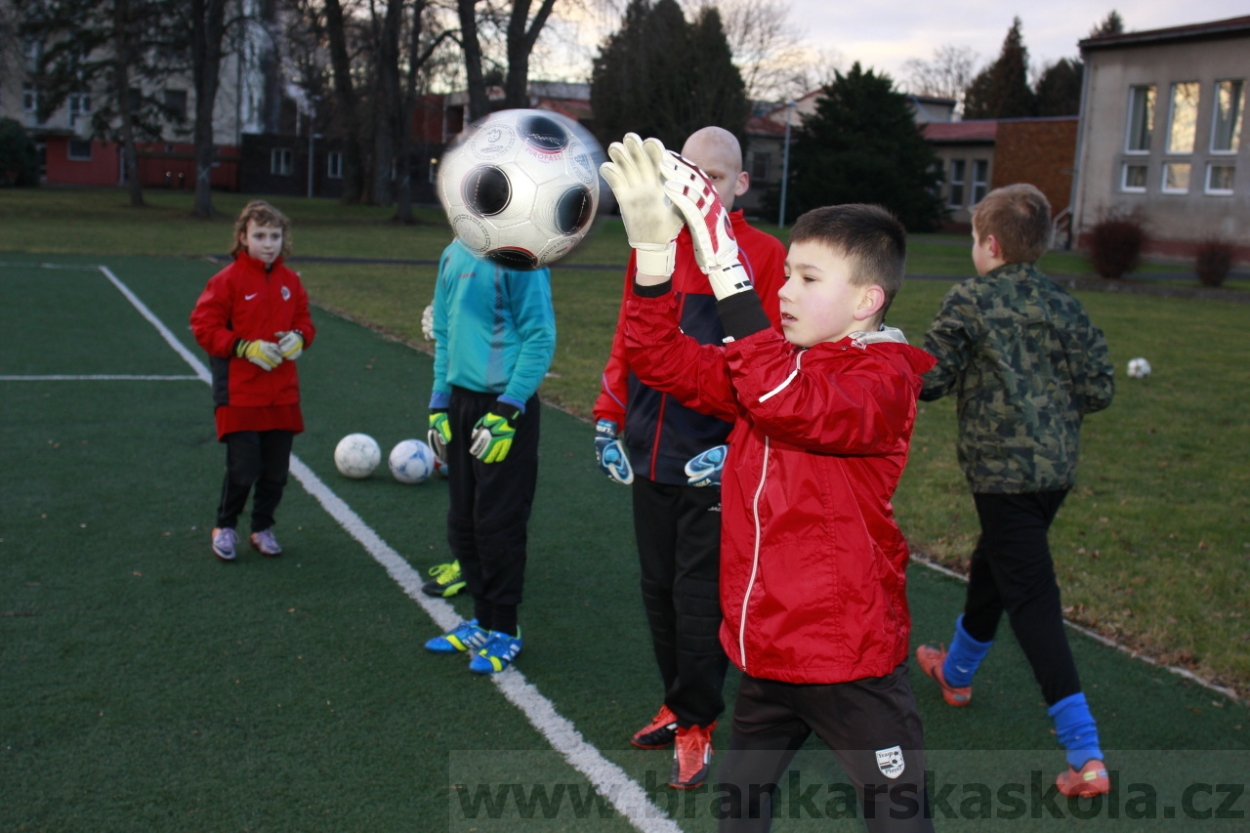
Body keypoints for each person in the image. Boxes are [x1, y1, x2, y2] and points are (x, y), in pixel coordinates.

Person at [601, 136, 936, 832]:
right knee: (740, 810)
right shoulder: (778, 367)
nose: (783, 290)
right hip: (767, 653)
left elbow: (791, 403)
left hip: (847, 660)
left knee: (900, 819)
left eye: (808, 279)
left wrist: (724, 261)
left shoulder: (883, 380)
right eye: (786, 274)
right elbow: (656, 357)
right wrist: (655, 257)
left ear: (868, 300)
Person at [593, 128, 787, 790]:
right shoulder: (653, 243)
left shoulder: (764, 255)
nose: (697, 186)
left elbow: (773, 362)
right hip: (650, 453)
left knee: (700, 597)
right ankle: (677, 700)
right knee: (658, 589)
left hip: (715, 461)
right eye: (687, 172)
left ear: (740, 185)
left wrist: (741, 443)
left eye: (715, 176)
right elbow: (629, 336)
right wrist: (608, 414)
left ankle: (698, 719)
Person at [913, 183, 1115, 798]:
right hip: (1056, 473)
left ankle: (1085, 754)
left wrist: (882, 352)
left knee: (1030, 598)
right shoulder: (1064, 303)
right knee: (995, 565)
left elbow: (930, 379)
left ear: (991, 244)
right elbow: (1099, 388)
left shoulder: (970, 300)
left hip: (1001, 477)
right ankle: (956, 671)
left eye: (976, 239)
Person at [421, 239, 556, 675]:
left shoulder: (520, 257)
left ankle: (505, 628)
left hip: (504, 409)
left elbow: (540, 337)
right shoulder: (452, 253)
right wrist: (439, 404)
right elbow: (444, 333)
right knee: (463, 523)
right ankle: (481, 621)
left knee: (498, 525)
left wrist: (509, 409)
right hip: (460, 404)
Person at [191, 200, 315, 562]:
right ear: (243, 238)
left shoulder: (291, 281)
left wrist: (300, 338)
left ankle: (262, 528)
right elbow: (204, 326)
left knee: (276, 471)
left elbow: (305, 320)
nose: (268, 243)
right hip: (240, 394)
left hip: (282, 394)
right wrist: (244, 347)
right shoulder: (226, 280)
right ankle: (225, 526)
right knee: (244, 469)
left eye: (275, 236)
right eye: (259, 235)